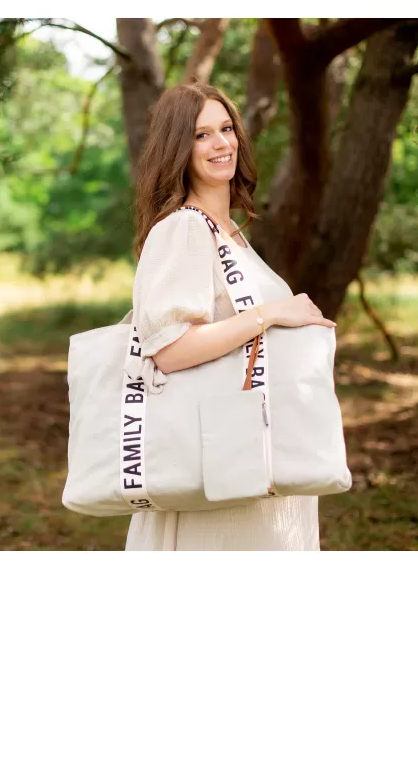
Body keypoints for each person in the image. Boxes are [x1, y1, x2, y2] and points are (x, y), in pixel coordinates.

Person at [124, 82, 337, 551]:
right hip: (221, 470)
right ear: (177, 149)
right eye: (201, 135)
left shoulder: (230, 234)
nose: (222, 143)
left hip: (251, 457)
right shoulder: (185, 228)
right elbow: (169, 349)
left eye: (226, 129)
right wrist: (271, 313)